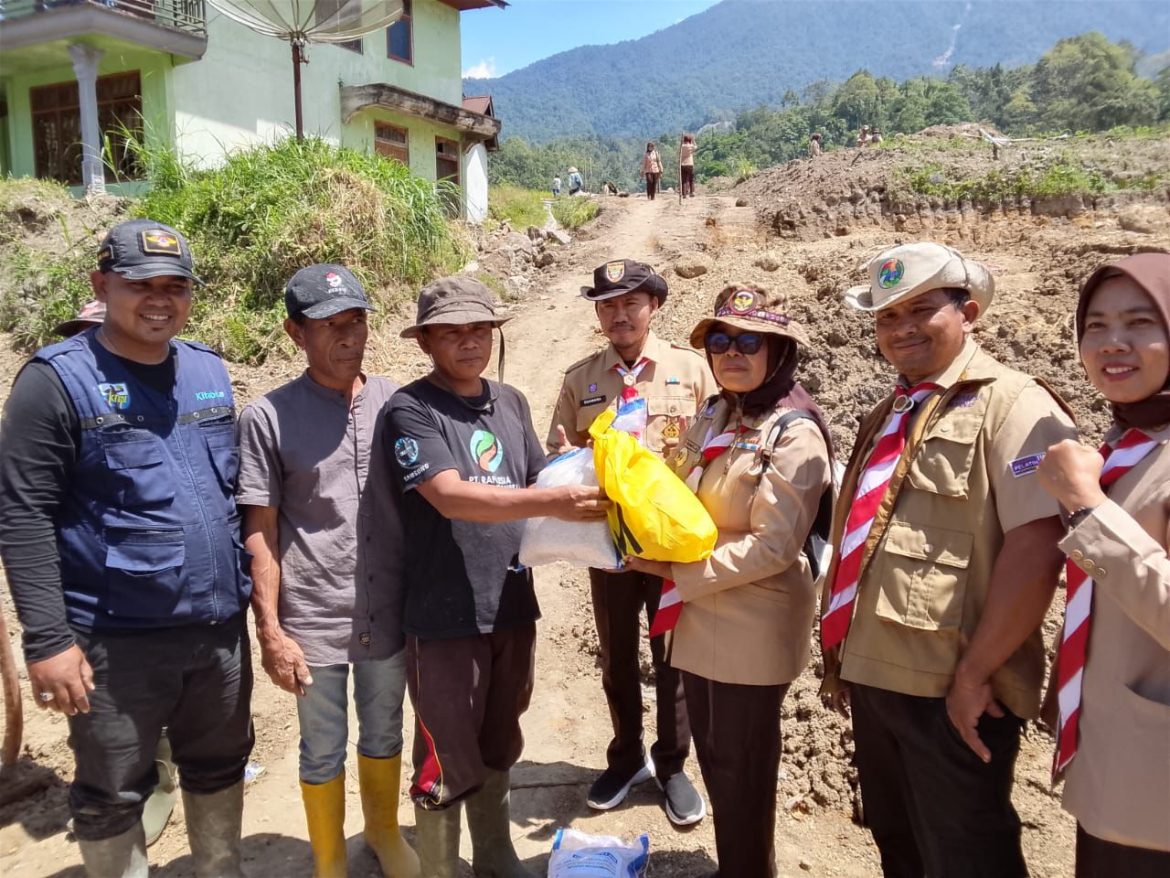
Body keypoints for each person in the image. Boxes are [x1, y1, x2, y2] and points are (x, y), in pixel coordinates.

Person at [0, 219, 254, 877]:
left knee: (220, 766)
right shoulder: (54, 382)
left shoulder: (206, 369)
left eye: (176, 285)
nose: (160, 299)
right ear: (102, 285)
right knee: (113, 793)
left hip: (218, 633)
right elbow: (24, 514)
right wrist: (49, 641)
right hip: (115, 645)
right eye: (142, 284)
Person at [819, 241, 1077, 877]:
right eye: (887, 316)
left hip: (955, 690)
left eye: (921, 309)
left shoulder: (1013, 403)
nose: (902, 328)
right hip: (878, 677)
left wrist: (974, 673)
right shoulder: (890, 411)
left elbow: (1037, 547)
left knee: (966, 854)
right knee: (897, 841)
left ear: (969, 312)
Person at [386, 277, 608, 878]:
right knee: (443, 752)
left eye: (479, 329)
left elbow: (537, 473)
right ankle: (438, 867)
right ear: (426, 340)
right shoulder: (410, 409)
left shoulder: (509, 401)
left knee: (500, 738)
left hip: (511, 601)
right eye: (452, 332)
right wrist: (547, 500)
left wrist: (573, 466)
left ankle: (494, 856)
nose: (468, 342)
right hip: (443, 614)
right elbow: (451, 496)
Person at [625, 284, 832, 876]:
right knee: (717, 758)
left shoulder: (795, 432)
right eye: (721, 341)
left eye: (750, 342)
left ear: (778, 353)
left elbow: (773, 547)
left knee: (742, 767)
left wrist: (675, 570)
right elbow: (677, 479)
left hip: (751, 620)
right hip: (701, 612)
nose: (732, 353)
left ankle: (748, 868)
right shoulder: (718, 412)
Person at [236, 265, 418, 878]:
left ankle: (385, 833)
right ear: (295, 332)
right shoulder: (268, 417)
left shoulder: (397, 402)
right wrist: (271, 630)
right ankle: (330, 858)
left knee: (385, 727)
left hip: (388, 608)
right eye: (330, 325)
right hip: (312, 616)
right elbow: (259, 531)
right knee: (320, 745)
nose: (349, 337)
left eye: (358, 321)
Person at [548, 259, 715, 826]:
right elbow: (561, 456)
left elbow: (719, 448)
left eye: (631, 303)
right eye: (608, 305)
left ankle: (670, 766)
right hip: (609, 549)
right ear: (597, 312)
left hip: (671, 551)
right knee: (618, 656)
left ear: (654, 306)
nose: (620, 314)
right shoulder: (581, 379)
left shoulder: (693, 371)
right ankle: (625, 759)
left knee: (673, 658)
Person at [1037, 252, 1170, 878]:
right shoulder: (1131, 443)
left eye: (1141, 322)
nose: (1113, 344)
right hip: (1121, 762)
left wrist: (1088, 507)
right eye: (1095, 326)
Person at [51, 298, 179, 850]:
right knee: (109, 719)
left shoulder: (167, 400)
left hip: (167, 597)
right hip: (96, 601)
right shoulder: (56, 397)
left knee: (167, 704)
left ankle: (164, 778)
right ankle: (131, 788)